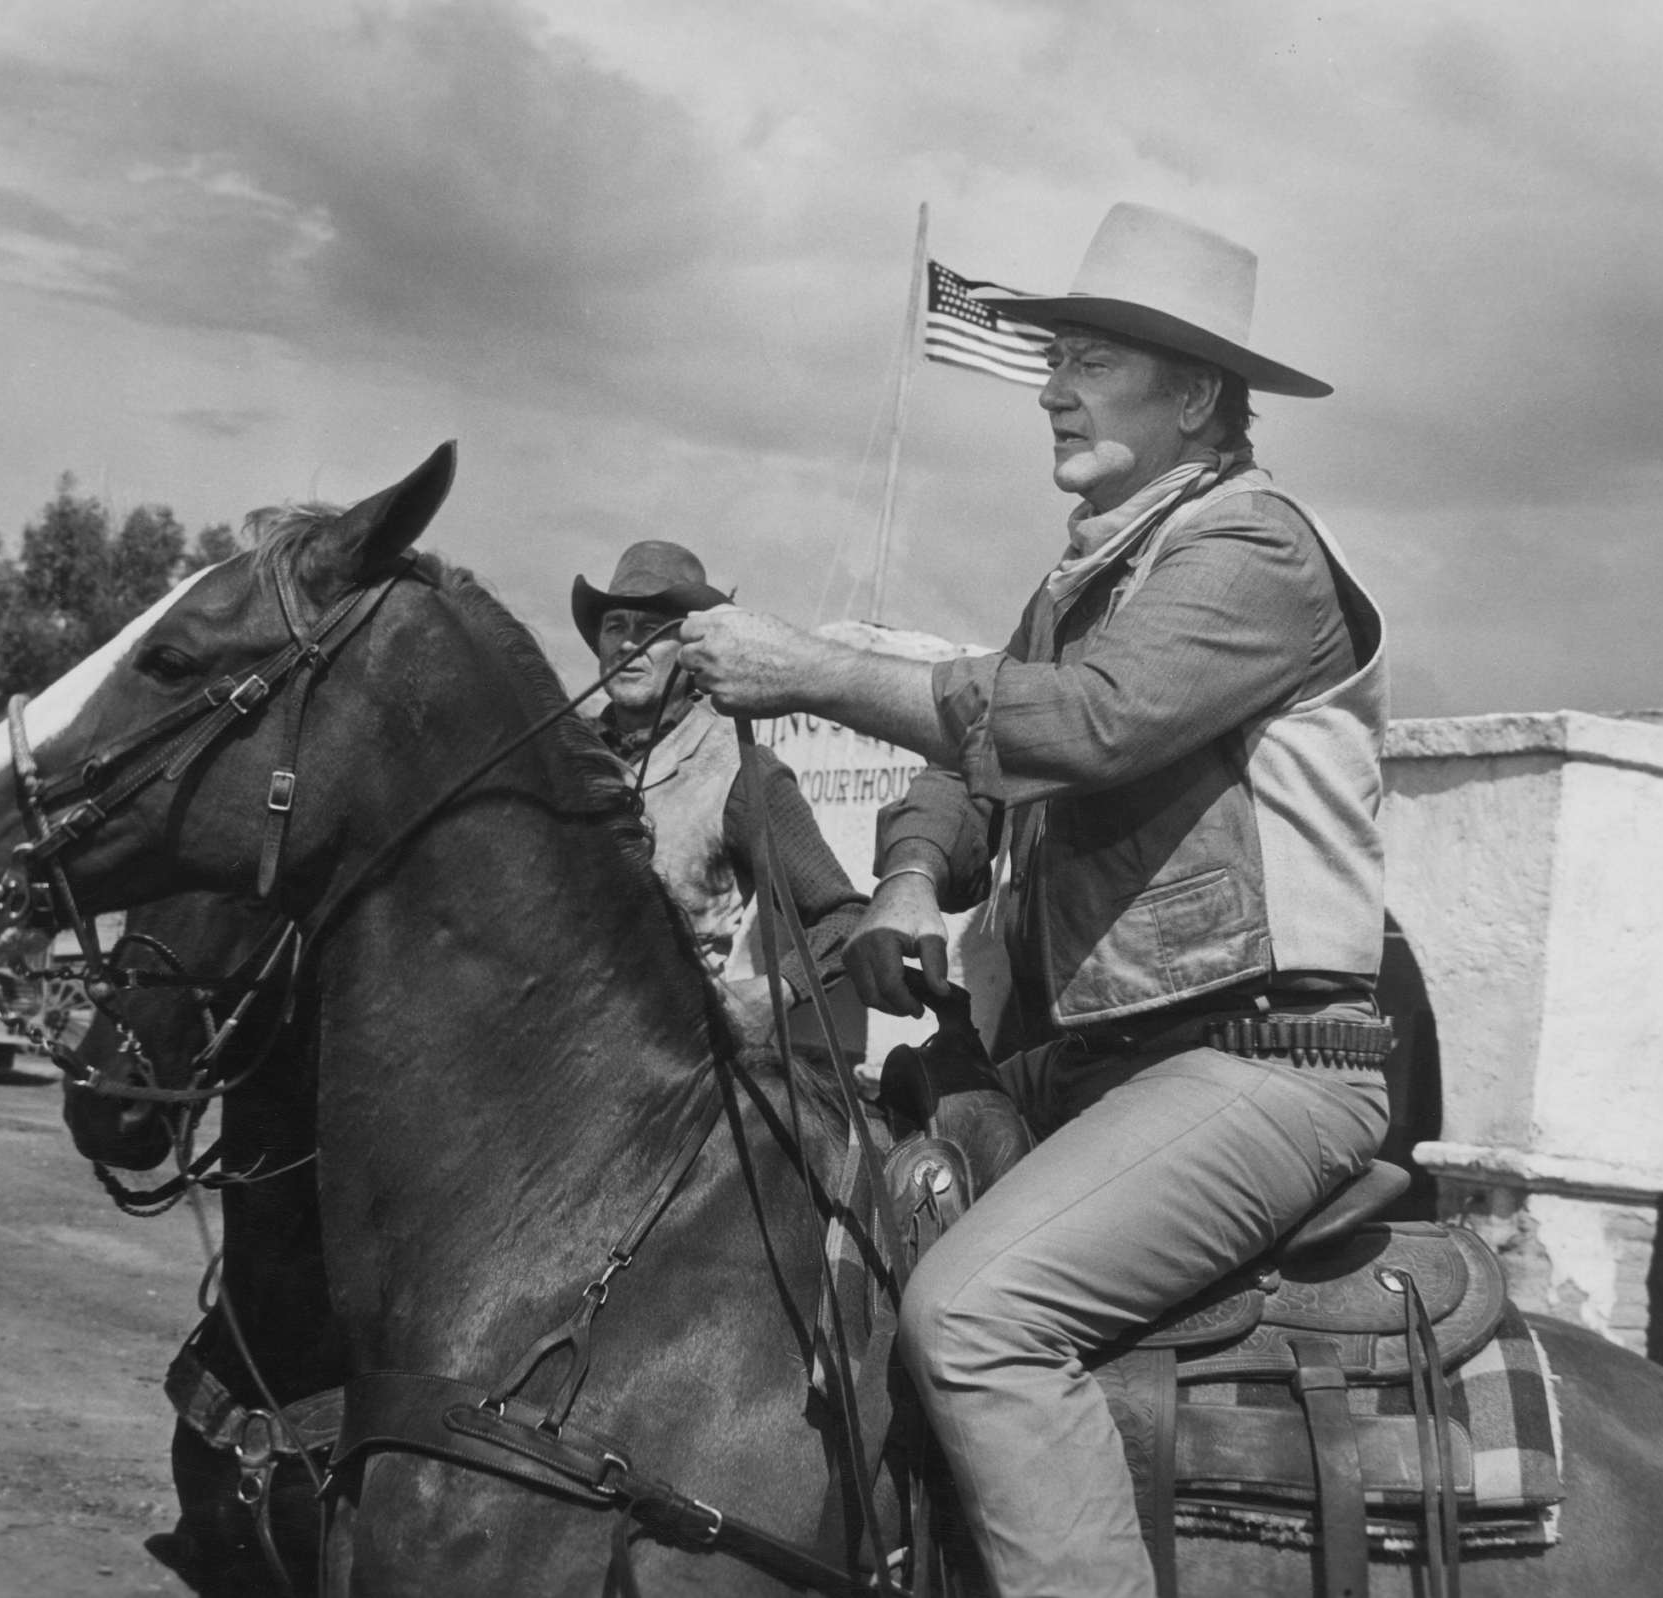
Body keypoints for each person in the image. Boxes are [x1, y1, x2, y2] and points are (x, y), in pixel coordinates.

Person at [679, 202, 1393, 1598]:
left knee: (977, 1312)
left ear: (1195, 398)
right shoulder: (1098, 572)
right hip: (1100, 1070)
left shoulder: (1254, 550)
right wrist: (900, 886)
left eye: (1089, 362)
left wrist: (813, 669)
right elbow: (977, 767)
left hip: (1262, 1066)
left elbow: (1086, 726)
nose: (1052, 389)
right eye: (1052, 358)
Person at [571, 540, 866, 1046]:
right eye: (615, 625)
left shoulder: (740, 771)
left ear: (692, 649)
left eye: (651, 630)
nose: (627, 644)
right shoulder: (564, 756)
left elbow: (847, 920)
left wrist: (774, 995)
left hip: (670, 1057)